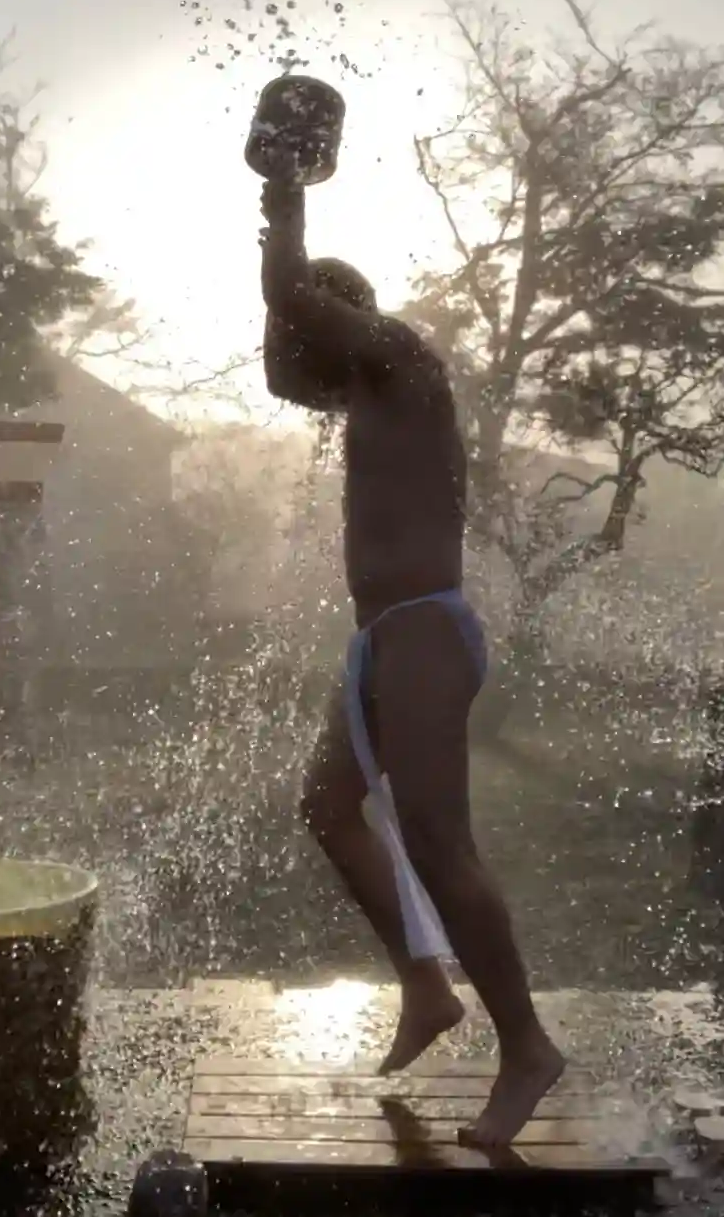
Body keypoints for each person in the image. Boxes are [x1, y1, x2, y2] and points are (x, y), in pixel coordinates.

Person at [258, 175, 564, 1148]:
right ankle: (426, 986)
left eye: (298, 340)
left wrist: (281, 199)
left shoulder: (401, 356)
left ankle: (526, 1047)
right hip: (383, 639)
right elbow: (282, 364)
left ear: (337, 323)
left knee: (438, 841)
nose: (291, 371)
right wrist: (277, 289)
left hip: (427, 631)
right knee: (324, 805)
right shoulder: (365, 391)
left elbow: (291, 298)